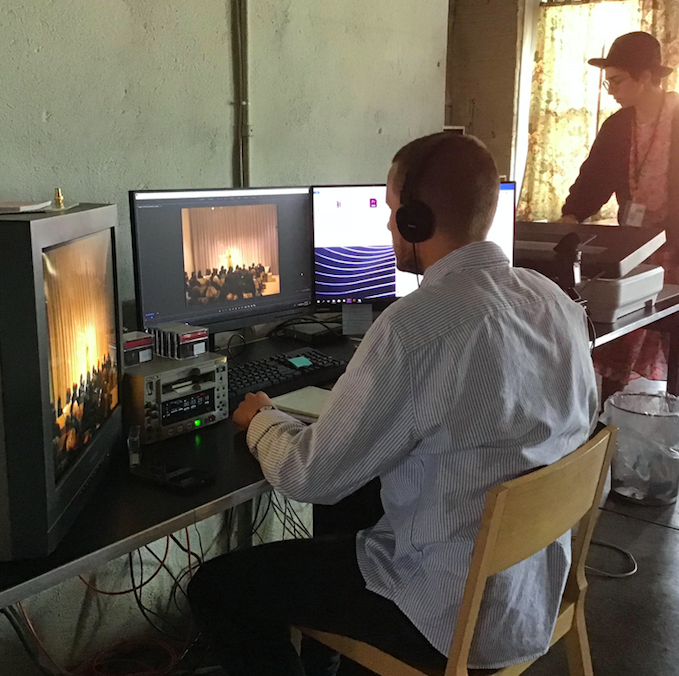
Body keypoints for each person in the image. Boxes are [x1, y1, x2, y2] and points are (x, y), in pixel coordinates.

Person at [187, 133, 597, 675]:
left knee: (218, 588)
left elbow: (309, 476)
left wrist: (263, 419)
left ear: (414, 220)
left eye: (390, 208)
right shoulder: (555, 301)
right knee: (353, 504)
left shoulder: (413, 328)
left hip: (444, 612)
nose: (386, 225)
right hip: (528, 591)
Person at [559, 31, 679, 403]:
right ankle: (607, 418)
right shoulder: (618, 125)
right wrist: (571, 215)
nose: (611, 90)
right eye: (608, 82)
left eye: (617, 81)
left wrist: (669, 240)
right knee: (618, 335)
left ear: (647, 77)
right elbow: (594, 177)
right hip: (637, 245)